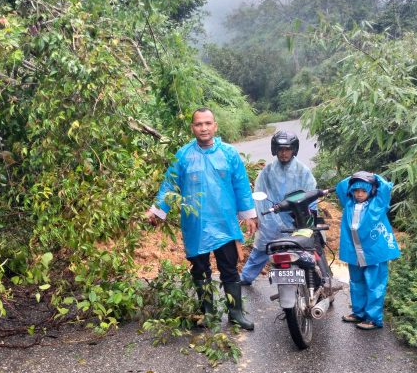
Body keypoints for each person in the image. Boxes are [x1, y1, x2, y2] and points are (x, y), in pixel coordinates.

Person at [145, 108, 258, 330]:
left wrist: (249, 215)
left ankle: (235, 314)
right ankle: (208, 312)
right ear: (192, 128)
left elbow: (241, 185)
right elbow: (170, 184)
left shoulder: (229, 154)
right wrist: (157, 210)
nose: (203, 128)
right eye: (199, 124)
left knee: (229, 269)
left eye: (208, 123)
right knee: (199, 269)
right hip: (195, 223)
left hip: (224, 222)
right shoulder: (183, 155)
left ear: (215, 126)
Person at [239, 130, 317, 285]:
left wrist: (311, 218)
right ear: (275, 150)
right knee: (260, 251)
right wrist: (257, 217)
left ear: (294, 149)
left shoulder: (303, 172)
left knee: (308, 253)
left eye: (287, 149)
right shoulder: (266, 172)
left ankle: (314, 282)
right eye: (280, 149)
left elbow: (311, 195)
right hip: (270, 222)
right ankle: (245, 278)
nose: (284, 153)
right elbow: (259, 194)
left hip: (297, 220)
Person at [335, 171, 401, 330]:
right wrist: (355, 176)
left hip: (374, 253)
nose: (359, 194)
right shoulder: (349, 203)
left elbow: (385, 187)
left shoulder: (378, 204)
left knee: (375, 284)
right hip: (355, 252)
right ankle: (359, 313)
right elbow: (341, 186)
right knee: (356, 282)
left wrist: (372, 176)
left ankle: (373, 318)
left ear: (371, 191)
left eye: (363, 190)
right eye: (356, 190)